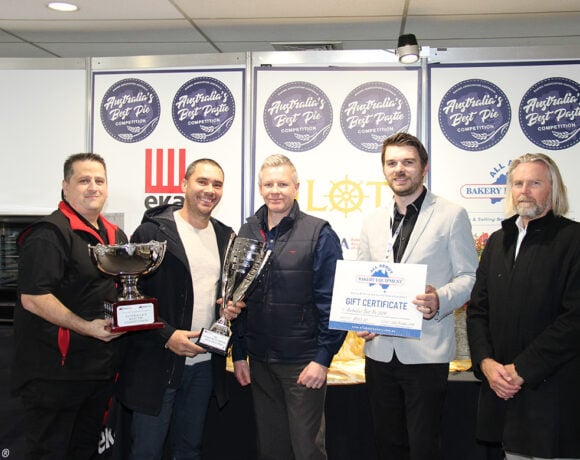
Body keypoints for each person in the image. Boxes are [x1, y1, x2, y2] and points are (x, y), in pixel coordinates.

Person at [356, 132, 478, 460]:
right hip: (379, 352)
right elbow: (363, 279)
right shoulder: (372, 221)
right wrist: (362, 318)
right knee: (387, 444)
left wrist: (440, 298)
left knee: (424, 446)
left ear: (424, 168)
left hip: (426, 353)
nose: (400, 169)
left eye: (408, 162)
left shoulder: (451, 215)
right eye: (392, 163)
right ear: (384, 170)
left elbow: (470, 276)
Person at [115, 158, 241, 460]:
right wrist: (167, 336)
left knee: (189, 450)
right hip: (158, 364)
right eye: (202, 181)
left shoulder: (226, 236)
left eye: (217, 184)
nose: (209, 190)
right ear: (184, 184)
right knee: (147, 451)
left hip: (204, 364)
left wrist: (230, 307)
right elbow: (130, 298)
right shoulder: (151, 233)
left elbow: (224, 293)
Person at [11, 152, 128, 459]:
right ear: (65, 187)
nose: (93, 187)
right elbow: (34, 298)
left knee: (84, 451)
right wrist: (86, 327)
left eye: (99, 180)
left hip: (98, 370)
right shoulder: (49, 234)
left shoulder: (114, 236)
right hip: (55, 374)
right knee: (49, 452)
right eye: (84, 180)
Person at [231, 154, 346, 460]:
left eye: (283, 183)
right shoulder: (247, 232)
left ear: (297, 187)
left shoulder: (319, 233)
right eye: (269, 184)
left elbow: (332, 303)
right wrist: (239, 353)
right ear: (260, 188)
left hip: (301, 364)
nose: (275, 190)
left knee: (307, 450)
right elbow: (236, 297)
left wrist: (322, 359)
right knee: (271, 449)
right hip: (259, 360)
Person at [467, 153, 580, 460]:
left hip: (554, 397)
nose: (524, 190)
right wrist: (486, 364)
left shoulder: (574, 239)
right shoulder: (497, 241)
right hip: (503, 394)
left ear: (553, 190)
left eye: (535, 183)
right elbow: (478, 310)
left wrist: (522, 370)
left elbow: (574, 320)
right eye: (518, 183)